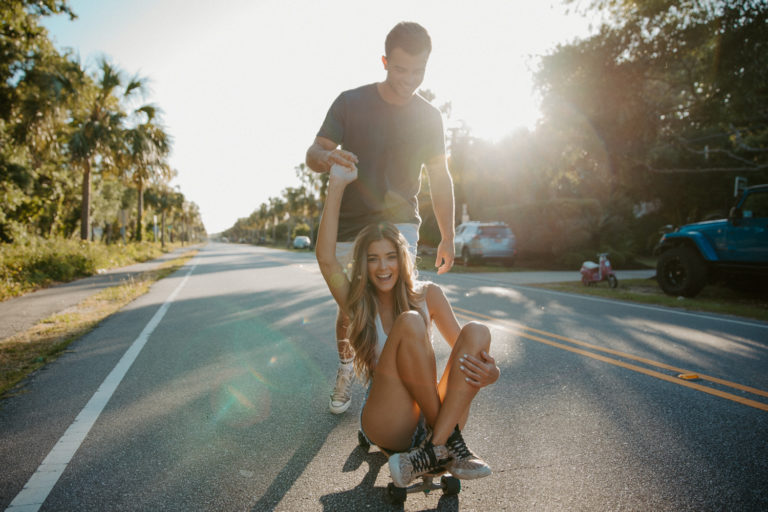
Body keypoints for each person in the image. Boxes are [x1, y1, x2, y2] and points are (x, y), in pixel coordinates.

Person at [316, 162, 499, 486]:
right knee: (411, 322)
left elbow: (467, 357)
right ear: (363, 263)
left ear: (401, 259)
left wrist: (492, 373)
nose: (382, 267)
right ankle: (447, 444)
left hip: (433, 422)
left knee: (477, 332)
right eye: (373, 258)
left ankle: (433, 449)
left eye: (389, 257)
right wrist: (336, 186)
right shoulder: (358, 302)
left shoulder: (429, 294)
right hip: (388, 417)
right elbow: (326, 257)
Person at [306, 21, 456, 414]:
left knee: (405, 304)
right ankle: (346, 368)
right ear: (386, 62)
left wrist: (448, 235)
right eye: (401, 69)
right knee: (352, 307)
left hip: (400, 221)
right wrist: (328, 158)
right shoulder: (351, 102)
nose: (409, 80)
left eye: (418, 71)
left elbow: (440, 177)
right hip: (351, 224)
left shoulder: (429, 117)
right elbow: (314, 152)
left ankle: (407, 389)